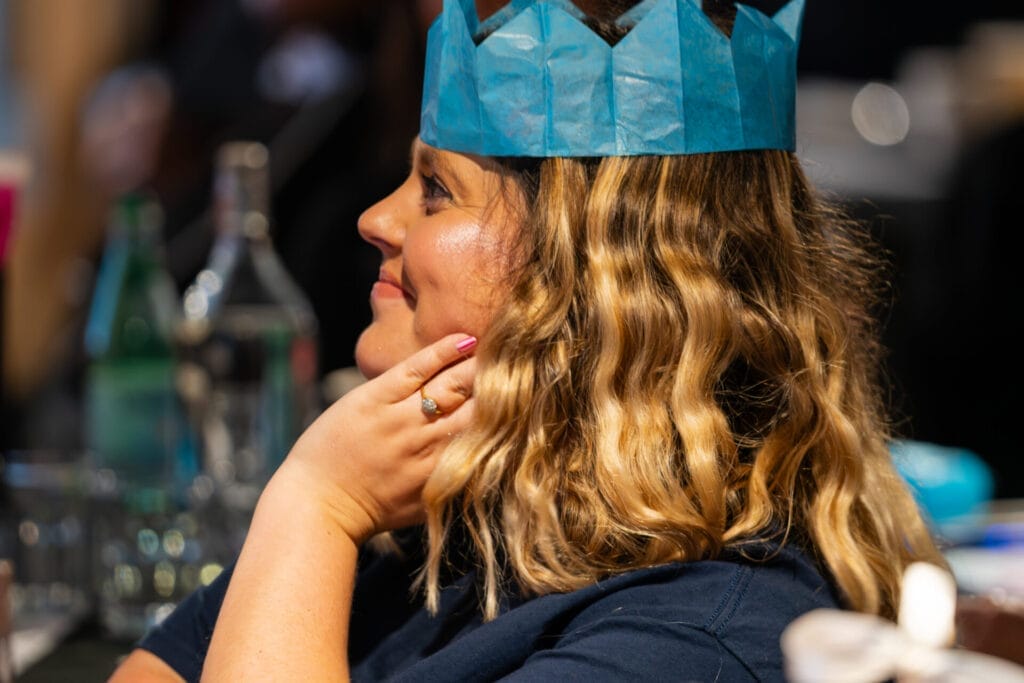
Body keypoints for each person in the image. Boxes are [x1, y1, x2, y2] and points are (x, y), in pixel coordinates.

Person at [111, 0, 944, 680]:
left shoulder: (692, 638)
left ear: (591, 276)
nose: (374, 218)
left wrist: (312, 509)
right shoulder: (433, 517)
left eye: (435, 190)